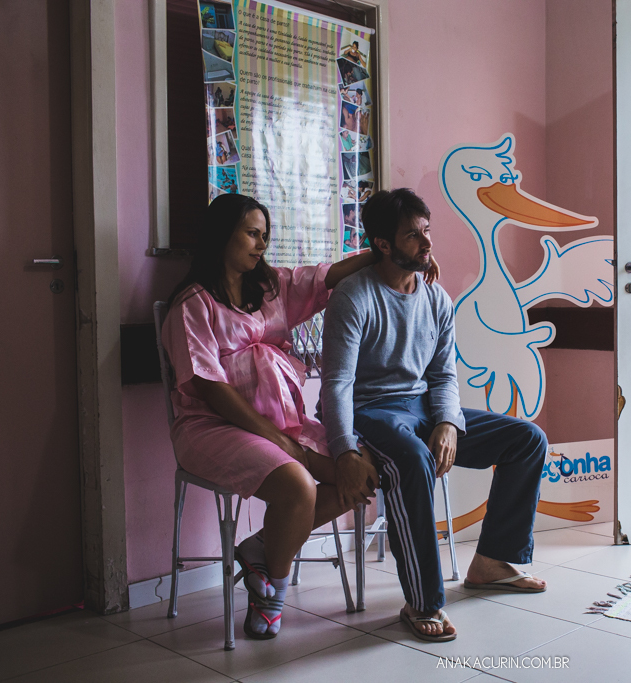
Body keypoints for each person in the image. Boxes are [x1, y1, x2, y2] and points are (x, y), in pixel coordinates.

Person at [162, 193, 439, 640]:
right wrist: (285, 444)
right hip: (212, 427)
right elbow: (212, 390)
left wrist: (404, 258)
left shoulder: (269, 288)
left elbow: (325, 276)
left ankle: (259, 552)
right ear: (221, 235)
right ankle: (272, 593)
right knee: (297, 484)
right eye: (252, 233)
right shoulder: (193, 304)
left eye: (264, 236)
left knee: (364, 473)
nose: (260, 245)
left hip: (283, 422)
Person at [321, 188, 548, 644]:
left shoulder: (437, 299)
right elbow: (338, 384)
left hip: (424, 407)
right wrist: (344, 448)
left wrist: (447, 422)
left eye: (426, 232)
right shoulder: (354, 297)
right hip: (373, 412)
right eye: (412, 237)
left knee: (527, 440)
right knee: (414, 460)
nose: (426, 245)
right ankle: (423, 601)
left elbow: (444, 374)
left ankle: (491, 563)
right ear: (382, 245)